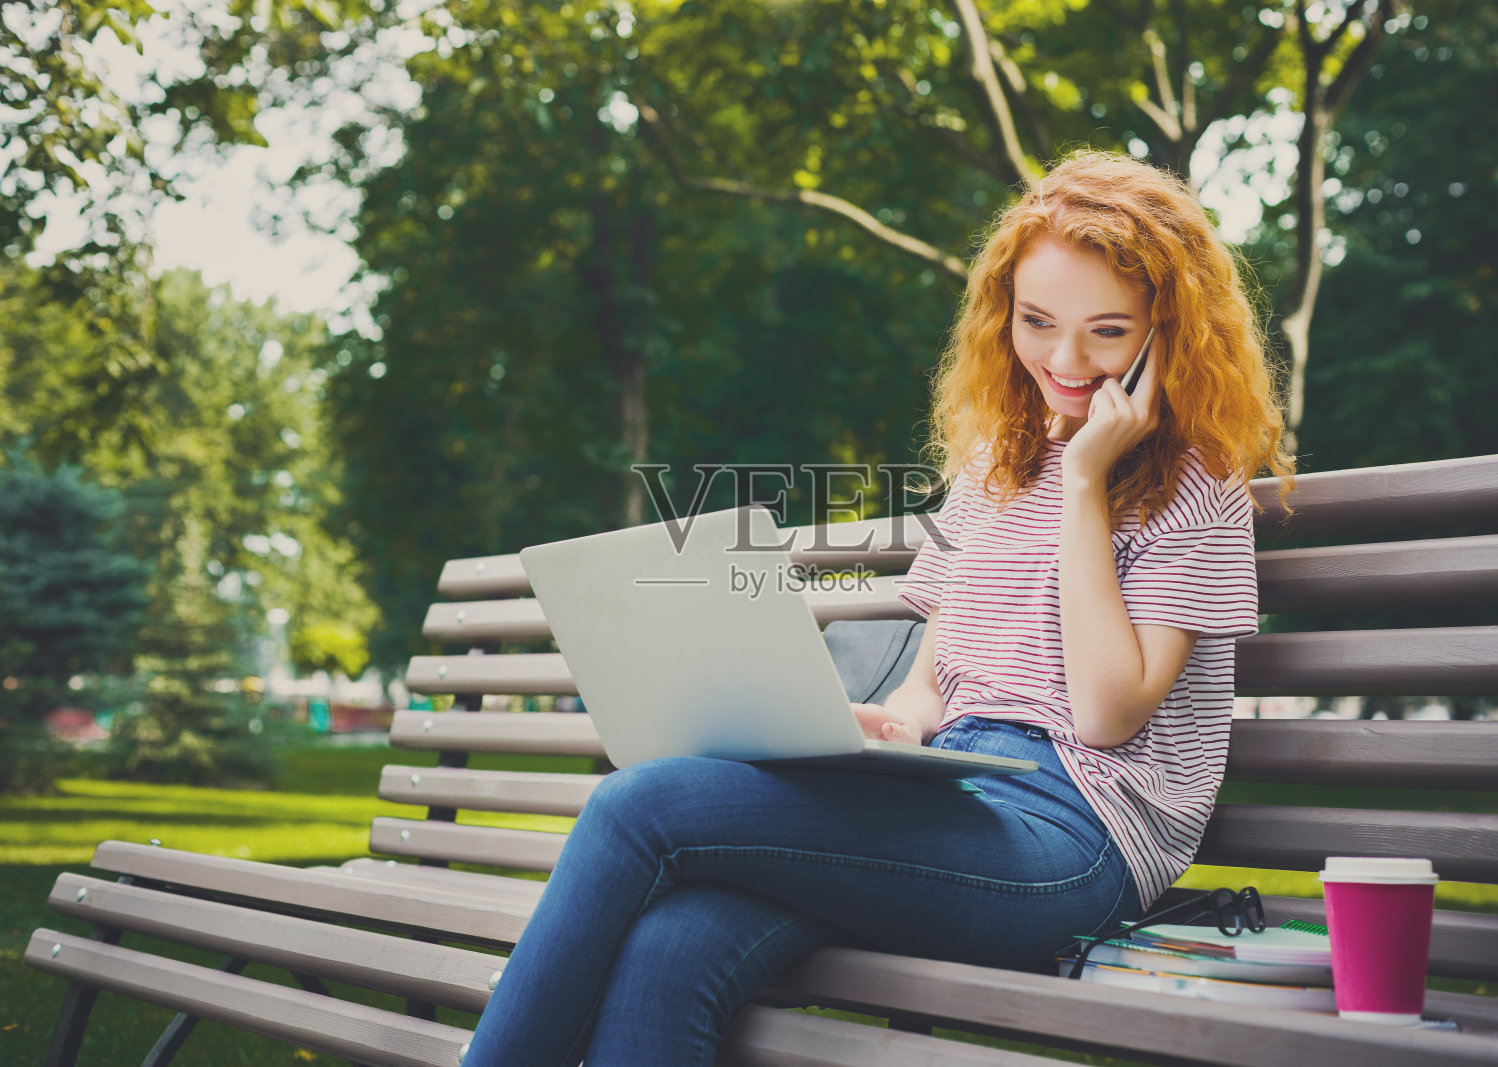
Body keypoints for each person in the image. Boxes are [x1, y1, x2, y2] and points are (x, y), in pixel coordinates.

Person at [462, 149, 1296, 1067]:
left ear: (1169, 329)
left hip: (1077, 841)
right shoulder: (998, 464)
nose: (1065, 361)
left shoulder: (1197, 483)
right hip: (952, 796)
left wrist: (1087, 481)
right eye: (1037, 322)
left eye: (1107, 330)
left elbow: (1105, 715)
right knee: (673, 943)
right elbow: (931, 680)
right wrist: (885, 729)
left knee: (638, 805)